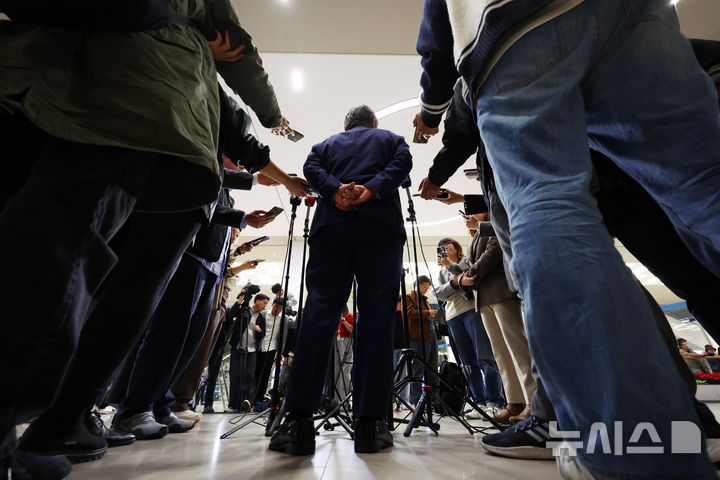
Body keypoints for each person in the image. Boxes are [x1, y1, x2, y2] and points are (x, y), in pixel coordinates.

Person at [415, 0, 720, 477]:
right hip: (637, 13)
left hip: (521, 23)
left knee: (548, 206)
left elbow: (439, 29)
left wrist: (432, 107)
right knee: (706, 185)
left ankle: (640, 453)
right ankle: (675, 426)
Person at [269, 105, 412, 455]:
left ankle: (298, 422)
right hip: (379, 226)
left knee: (319, 314)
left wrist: (335, 191)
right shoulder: (391, 139)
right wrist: (371, 189)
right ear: (373, 124)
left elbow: (309, 168)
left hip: (332, 227)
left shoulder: (325, 145)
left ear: (346, 126)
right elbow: (403, 163)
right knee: (376, 319)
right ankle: (371, 424)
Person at [459, 215, 535, 423]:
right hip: (482, 297)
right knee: (501, 354)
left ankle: (533, 402)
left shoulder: (493, 227)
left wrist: (469, 276)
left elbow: (493, 251)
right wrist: (460, 278)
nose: (467, 218)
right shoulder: (474, 237)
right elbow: (466, 263)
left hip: (500, 290)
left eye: (471, 213)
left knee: (518, 349)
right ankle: (514, 401)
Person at [435, 238, 504, 415]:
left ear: (456, 248)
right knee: (468, 363)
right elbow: (440, 293)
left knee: (485, 358)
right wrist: (456, 283)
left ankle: (495, 401)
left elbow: (470, 278)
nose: (444, 249)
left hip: (471, 312)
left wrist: (453, 273)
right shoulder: (441, 273)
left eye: (447, 245)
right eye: (441, 247)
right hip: (452, 318)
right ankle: (479, 402)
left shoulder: (466, 261)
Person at [227, 293, 269, 412]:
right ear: (257, 301)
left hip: (252, 350)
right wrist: (240, 298)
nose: (265, 306)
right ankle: (233, 404)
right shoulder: (245, 310)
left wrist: (259, 330)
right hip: (238, 348)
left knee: (250, 376)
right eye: (264, 303)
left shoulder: (261, 317)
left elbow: (263, 334)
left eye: (266, 303)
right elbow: (232, 313)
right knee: (235, 375)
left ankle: (248, 403)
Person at [405, 276, 440, 406]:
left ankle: (434, 400)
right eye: (425, 286)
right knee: (418, 369)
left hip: (430, 334)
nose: (426, 289)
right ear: (418, 284)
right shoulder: (408, 298)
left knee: (432, 368)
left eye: (428, 287)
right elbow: (410, 313)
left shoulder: (425, 300)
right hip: (418, 336)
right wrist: (428, 313)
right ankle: (416, 399)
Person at [253, 297, 286, 408]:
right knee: (255, 373)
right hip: (259, 348)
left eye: (280, 308)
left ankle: (260, 399)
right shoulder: (263, 314)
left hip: (271, 349)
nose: (278, 310)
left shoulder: (283, 319)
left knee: (265, 375)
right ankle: (252, 398)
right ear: (272, 305)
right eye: (276, 306)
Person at [333, 305, 354, 403]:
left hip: (346, 343)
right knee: (337, 372)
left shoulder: (349, 316)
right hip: (337, 343)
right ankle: (337, 400)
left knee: (345, 371)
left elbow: (352, 330)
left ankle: (345, 400)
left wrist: (343, 320)